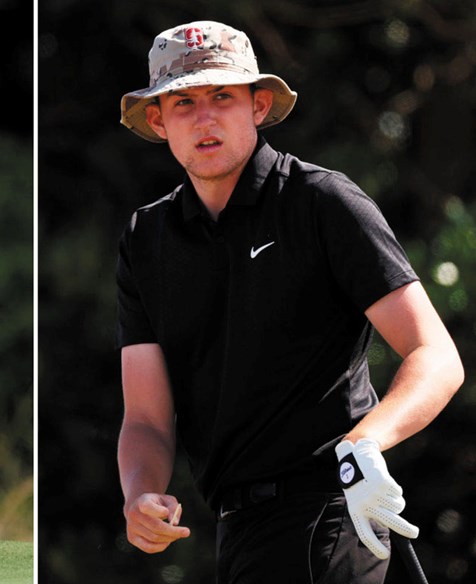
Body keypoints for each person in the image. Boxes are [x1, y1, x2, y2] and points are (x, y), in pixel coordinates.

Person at [115, 20, 463, 582]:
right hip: (241, 529)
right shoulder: (146, 237)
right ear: (158, 120)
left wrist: (366, 445)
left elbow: (436, 355)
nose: (205, 118)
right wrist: (140, 493)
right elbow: (148, 419)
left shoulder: (322, 202)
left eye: (223, 96)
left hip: (334, 513)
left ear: (258, 105)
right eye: (184, 103)